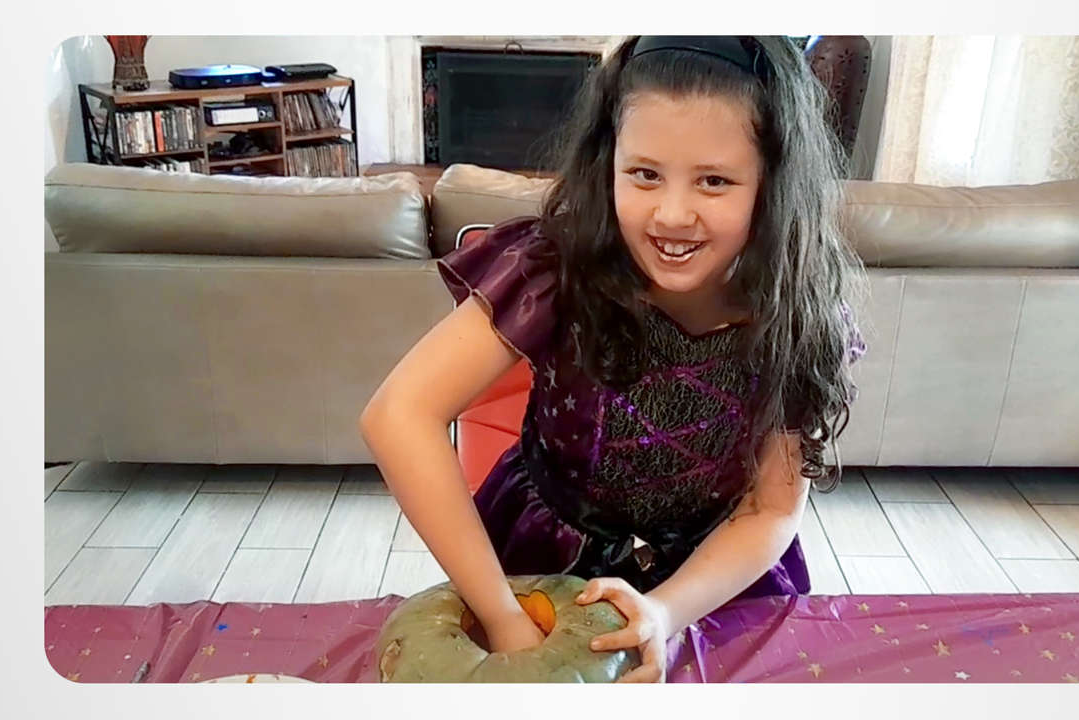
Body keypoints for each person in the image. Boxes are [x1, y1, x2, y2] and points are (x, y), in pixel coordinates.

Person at [360, 35, 868, 683]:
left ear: (774, 183)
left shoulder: (800, 312)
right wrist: (505, 615)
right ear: (608, 163)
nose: (672, 215)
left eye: (714, 181)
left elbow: (771, 510)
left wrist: (664, 611)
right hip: (537, 570)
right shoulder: (555, 269)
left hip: (715, 581)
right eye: (645, 174)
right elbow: (398, 415)